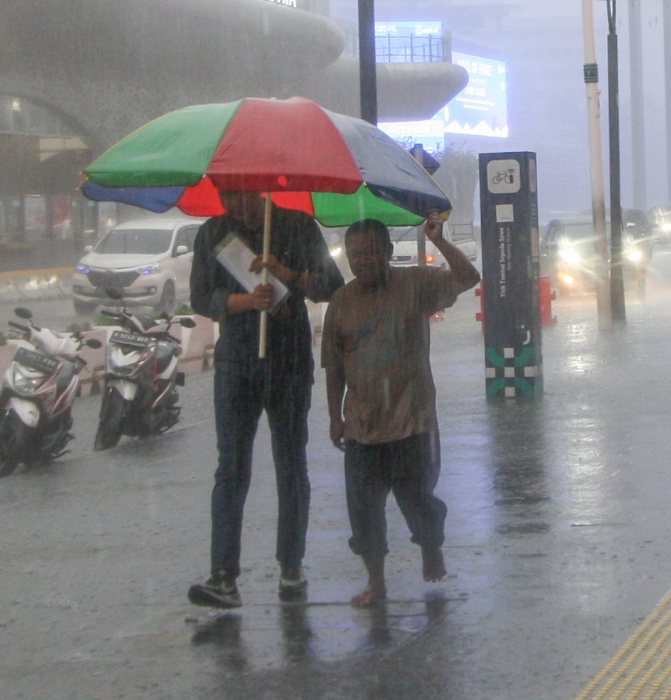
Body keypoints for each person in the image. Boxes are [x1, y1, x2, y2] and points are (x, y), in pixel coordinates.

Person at [187, 191, 344, 609]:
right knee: (231, 466)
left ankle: (291, 566)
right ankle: (223, 575)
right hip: (236, 362)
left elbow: (331, 286)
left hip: (288, 361)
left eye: (238, 193)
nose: (231, 203)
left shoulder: (297, 226)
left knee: (290, 462)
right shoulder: (213, 232)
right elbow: (200, 296)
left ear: (257, 186)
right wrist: (240, 302)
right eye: (224, 194)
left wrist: (285, 271)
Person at [321, 212, 480, 608]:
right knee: (364, 510)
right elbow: (334, 365)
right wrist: (334, 416)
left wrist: (439, 240)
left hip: (413, 420)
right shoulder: (341, 301)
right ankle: (376, 582)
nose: (363, 262)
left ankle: (431, 545)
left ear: (389, 252)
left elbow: (468, 278)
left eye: (372, 253)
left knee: (418, 500)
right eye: (355, 255)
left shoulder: (415, 284)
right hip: (363, 426)